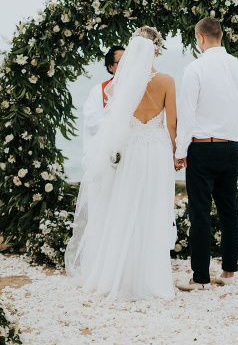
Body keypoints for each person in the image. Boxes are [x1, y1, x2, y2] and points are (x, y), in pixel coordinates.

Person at [65, 27, 177, 301]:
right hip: (156, 150)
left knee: (125, 207)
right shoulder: (167, 80)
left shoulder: (120, 83)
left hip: (131, 149)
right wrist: (176, 152)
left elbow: (113, 122)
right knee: (153, 208)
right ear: (157, 50)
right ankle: (151, 278)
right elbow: (172, 123)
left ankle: (119, 275)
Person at [175, 17, 238, 291]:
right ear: (221, 36)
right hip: (231, 147)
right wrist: (236, 143)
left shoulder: (195, 68)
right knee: (229, 209)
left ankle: (200, 278)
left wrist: (180, 150)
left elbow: (187, 113)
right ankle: (229, 272)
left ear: (201, 38)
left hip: (203, 148)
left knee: (200, 213)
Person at [83, 45, 125, 138]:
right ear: (110, 67)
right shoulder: (98, 91)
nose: (126, 65)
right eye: (121, 62)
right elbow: (92, 124)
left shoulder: (140, 89)